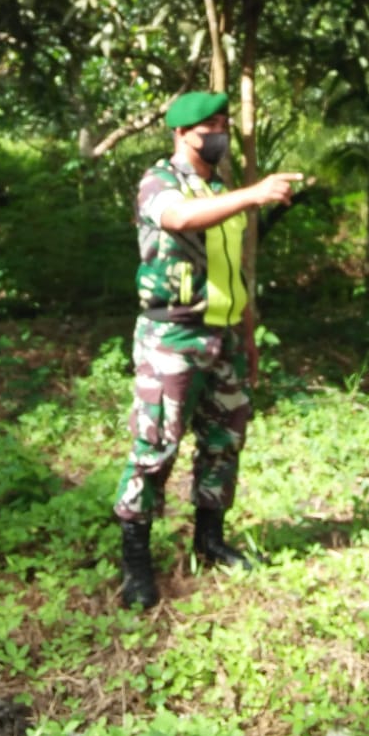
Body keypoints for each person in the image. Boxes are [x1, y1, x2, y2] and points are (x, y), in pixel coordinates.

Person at [114, 90, 304, 609]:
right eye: (208, 127)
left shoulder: (219, 188)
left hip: (226, 338)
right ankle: (135, 562)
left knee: (223, 442)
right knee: (156, 448)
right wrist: (253, 194)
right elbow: (179, 219)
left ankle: (210, 538)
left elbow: (234, 272)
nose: (217, 134)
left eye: (223, 123)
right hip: (172, 338)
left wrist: (248, 336)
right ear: (180, 134)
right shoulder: (160, 183)